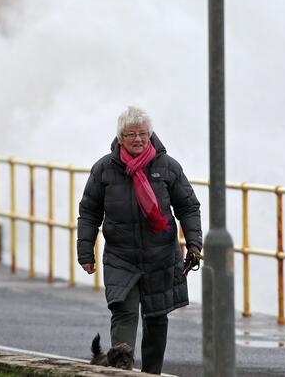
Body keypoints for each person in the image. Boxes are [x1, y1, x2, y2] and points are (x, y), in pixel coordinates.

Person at [77, 106, 202, 374]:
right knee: (124, 311)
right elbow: (88, 213)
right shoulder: (104, 170)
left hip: (161, 256)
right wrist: (85, 252)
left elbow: (188, 207)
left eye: (143, 134)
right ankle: (121, 369)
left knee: (156, 318)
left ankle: (152, 373)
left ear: (150, 135)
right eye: (131, 134)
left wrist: (193, 244)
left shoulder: (168, 167)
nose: (138, 139)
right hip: (121, 257)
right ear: (120, 137)